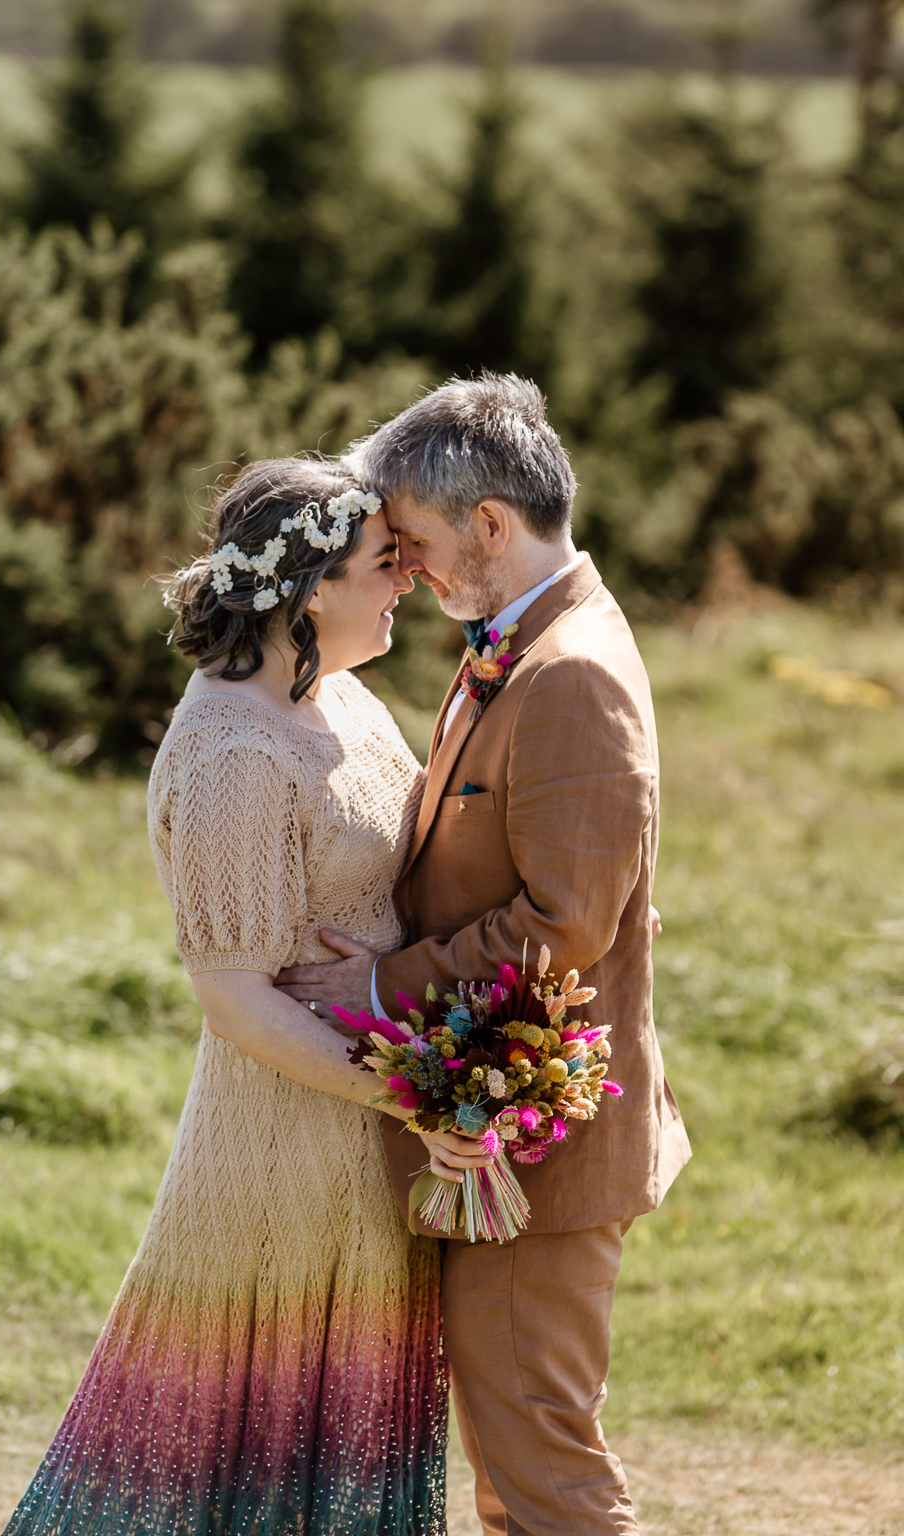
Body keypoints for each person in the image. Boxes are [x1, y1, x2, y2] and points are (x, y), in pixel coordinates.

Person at [2, 459, 484, 1536]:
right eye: (382, 565)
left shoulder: (342, 697)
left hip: (366, 1136)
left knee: (341, 1442)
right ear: (308, 588)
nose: (403, 582)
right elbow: (235, 1002)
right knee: (225, 1454)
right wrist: (416, 1095)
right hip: (277, 1143)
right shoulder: (230, 749)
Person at [276, 375, 693, 1536]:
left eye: (409, 540)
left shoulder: (571, 677)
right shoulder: (519, 643)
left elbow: (565, 924)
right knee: (516, 1470)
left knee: (543, 1471)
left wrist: (371, 986)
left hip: (541, 1155)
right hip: (496, 1129)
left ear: (491, 525)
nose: (402, 568)